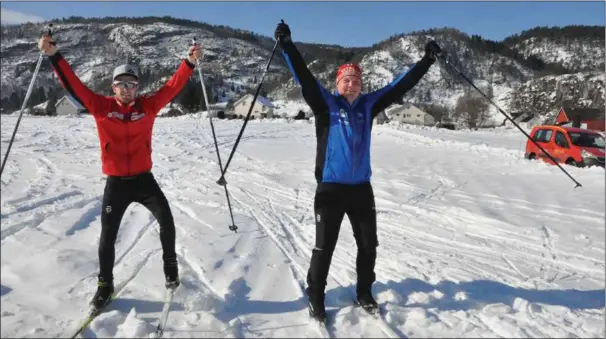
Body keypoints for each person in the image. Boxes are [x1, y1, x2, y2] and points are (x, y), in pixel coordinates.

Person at [274, 21, 441, 321]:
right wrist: (287, 44)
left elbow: (400, 85)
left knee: (368, 246)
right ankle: (316, 297)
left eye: (355, 80)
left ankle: (364, 291)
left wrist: (427, 61)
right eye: (345, 80)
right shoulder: (326, 104)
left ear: (361, 84)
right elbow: (304, 76)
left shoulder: (368, 105)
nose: (351, 84)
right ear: (338, 84)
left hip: (361, 189)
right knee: (324, 247)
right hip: (330, 189)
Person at [38, 33, 202, 311]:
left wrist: (189, 62)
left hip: (144, 180)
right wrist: (54, 56)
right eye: (121, 84)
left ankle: (170, 267)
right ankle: (104, 285)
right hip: (116, 184)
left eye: (131, 84)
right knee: (108, 237)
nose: (126, 89)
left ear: (138, 87)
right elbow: (74, 86)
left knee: (167, 221)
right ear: (113, 87)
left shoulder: (148, 107)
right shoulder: (100, 107)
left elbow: (172, 88)